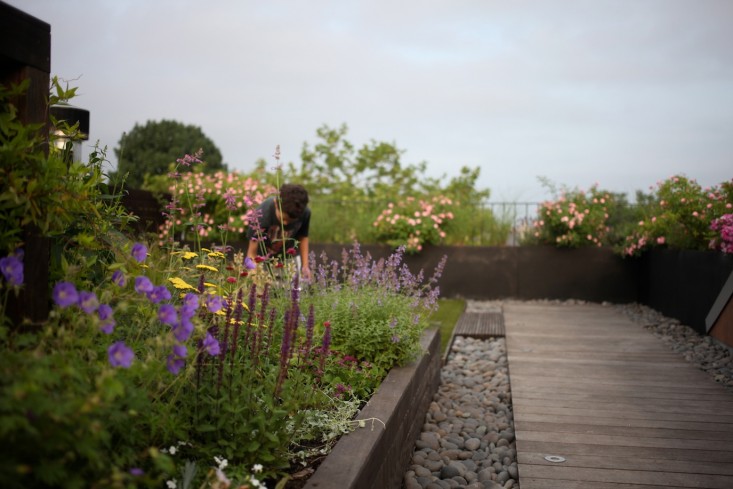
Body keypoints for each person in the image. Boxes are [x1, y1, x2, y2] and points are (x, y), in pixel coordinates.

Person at [246, 183, 312, 280]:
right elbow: (251, 254)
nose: (285, 224)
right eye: (283, 219)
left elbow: (303, 237)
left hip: (288, 259)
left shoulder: (303, 212)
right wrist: (255, 274)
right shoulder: (260, 215)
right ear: (276, 204)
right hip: (262, 261)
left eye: (290, 221)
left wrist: (305, 266)